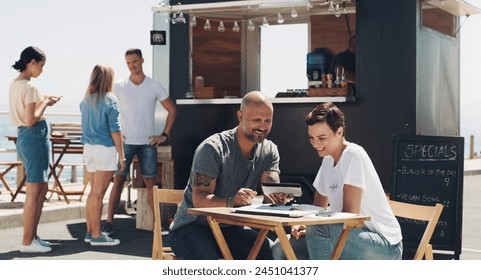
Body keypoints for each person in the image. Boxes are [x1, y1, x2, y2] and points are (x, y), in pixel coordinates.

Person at [169, 91, 291, 260]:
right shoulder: (212, 149)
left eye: (268, 120)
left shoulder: (269, 151)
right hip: (192, 226)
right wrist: (231, 201)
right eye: (256, 120)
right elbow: (200, 200)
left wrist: (278, 196)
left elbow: (271, 188)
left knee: (272, 256)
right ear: (240, 116)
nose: (263, 126)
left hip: (230, 228)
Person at [273, 102, 403, 260]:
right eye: (311, 138)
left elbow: (350, 218)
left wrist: (314, 225)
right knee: (281, 247)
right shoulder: (328, 161)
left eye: (321, 138)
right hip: (347, 236)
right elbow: (317, 208)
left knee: (318, 229)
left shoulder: (354, 155)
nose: (315, 143)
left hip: (385, 246)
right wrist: (302, 224)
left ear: (339, 132)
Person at [103, 48, 177, 235]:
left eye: (134, 61)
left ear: (142, 60)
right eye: (128, 63)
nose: (131, 66)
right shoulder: (118, 86)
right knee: (118, 181)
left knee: (151, 184)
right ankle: (109, 223)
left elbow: (172, 109)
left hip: (147, 143)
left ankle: (158, 226)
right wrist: (114, 135)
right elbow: (106, 110)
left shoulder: (154, 86)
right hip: (124, 143)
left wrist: (164, 135)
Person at [9, 46, 60, 253]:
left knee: (41, 187)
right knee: (34, 190)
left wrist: (42, 101)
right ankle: (28, 242)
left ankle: (33, 237)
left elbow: (26, 115)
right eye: (41, 65)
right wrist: (46, 102)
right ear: (31, 63)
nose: (42, 70)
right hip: (33, 138)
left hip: (23, 138)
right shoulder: (30, 88)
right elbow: (31, 119)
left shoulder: (15, 84)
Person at [80, 64, 125, 246]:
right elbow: (115, 130)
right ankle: (98, 236)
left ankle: (90, 232)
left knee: (93, 193)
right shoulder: (110, 100)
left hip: (88, 149)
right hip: (104, 150)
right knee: (99, 194)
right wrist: (121, 155)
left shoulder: (86, 101)